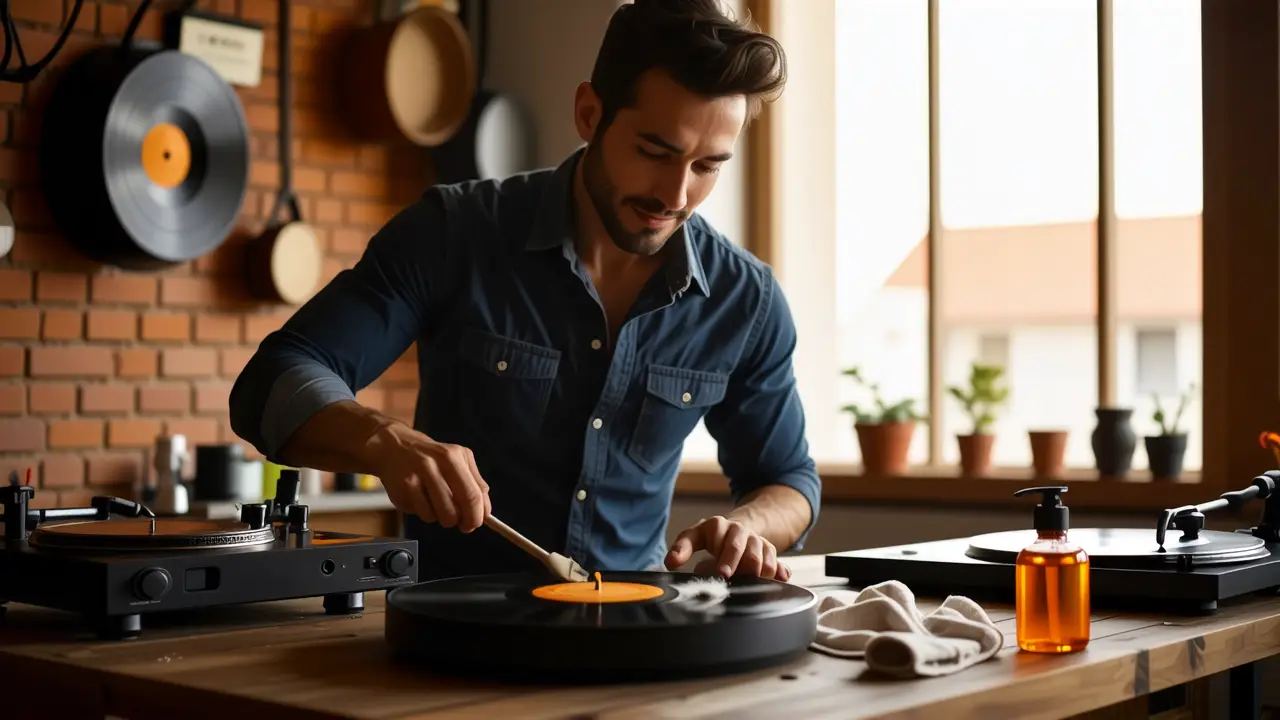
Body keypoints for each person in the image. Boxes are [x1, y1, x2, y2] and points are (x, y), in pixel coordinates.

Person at [228, 0, 820, 583]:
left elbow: (789, 480)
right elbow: (273, 379)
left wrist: (751, 525)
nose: (676, 194)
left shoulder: (747, 300)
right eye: (653, 152)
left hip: (638, 637)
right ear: (589, 114)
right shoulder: (453, 233)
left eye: (708, 166)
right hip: (455, 637)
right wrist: (385, 441)